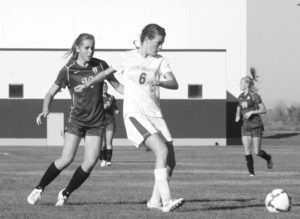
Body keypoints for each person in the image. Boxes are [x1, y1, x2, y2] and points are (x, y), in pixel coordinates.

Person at [75, 24, 184, 212]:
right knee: (161, 151)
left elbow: (175, 83)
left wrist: (161, 81)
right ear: (147, 39)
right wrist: (88, 84)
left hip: (155, 113)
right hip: (135, 112)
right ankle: (167, 201)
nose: (160, 47)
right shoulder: (127, 57)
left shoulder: (159, 60)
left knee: (171, 162)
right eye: (158, 43)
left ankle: (154, 202)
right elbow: (106, 73)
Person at [26, 33, 120, 206]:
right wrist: (45, 109)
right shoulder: (68, 70)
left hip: (97, 122)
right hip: (77, 121)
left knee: (90, 162)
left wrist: (138, 94)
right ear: (77, 48)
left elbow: (118, 86)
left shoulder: (100, 65)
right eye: (87, 47)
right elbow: (50, 93)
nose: (91, 51)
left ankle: (65, 193)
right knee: (66, 159)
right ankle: (39, 189)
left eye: (93, 47)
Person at [235, 68, 273, 176]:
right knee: (247, 149)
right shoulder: (240, 97)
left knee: (257, 152)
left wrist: (252, 112)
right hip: (245, 127)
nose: (239, 85)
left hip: (256, 126)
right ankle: (251, 174)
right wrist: (237, 116)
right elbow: (238, 110)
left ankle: (268, 158)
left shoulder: (254, 96)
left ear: (246, 85)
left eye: (241, 83)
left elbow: (264, 109)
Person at [99, 81, 119, 167]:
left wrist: (116, 110)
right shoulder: (97, 98)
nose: (104, 88)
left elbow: (115, 108)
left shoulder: (111, 97)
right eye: (102, 87)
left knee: (109, 141)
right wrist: (103, 107)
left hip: (110, 122)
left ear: (107, 88)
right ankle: (102, 159)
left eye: (105, 87)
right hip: (99, 122)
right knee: (102, 143)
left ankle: (108, 161)